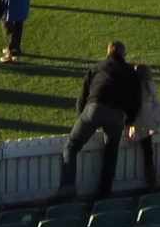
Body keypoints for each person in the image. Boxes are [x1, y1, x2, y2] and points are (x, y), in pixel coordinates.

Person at [60, 40, 140, 197]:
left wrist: (82, 119)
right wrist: (128, 121)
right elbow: (136, 102)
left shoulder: (96, 67)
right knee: (111, 152)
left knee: (71, 146)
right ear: (124, 55)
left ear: (107, 52)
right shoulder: (131, 72)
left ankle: (68, 186)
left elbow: (82, 98)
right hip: (116, 114)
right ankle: (104, 192)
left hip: (94, 109)